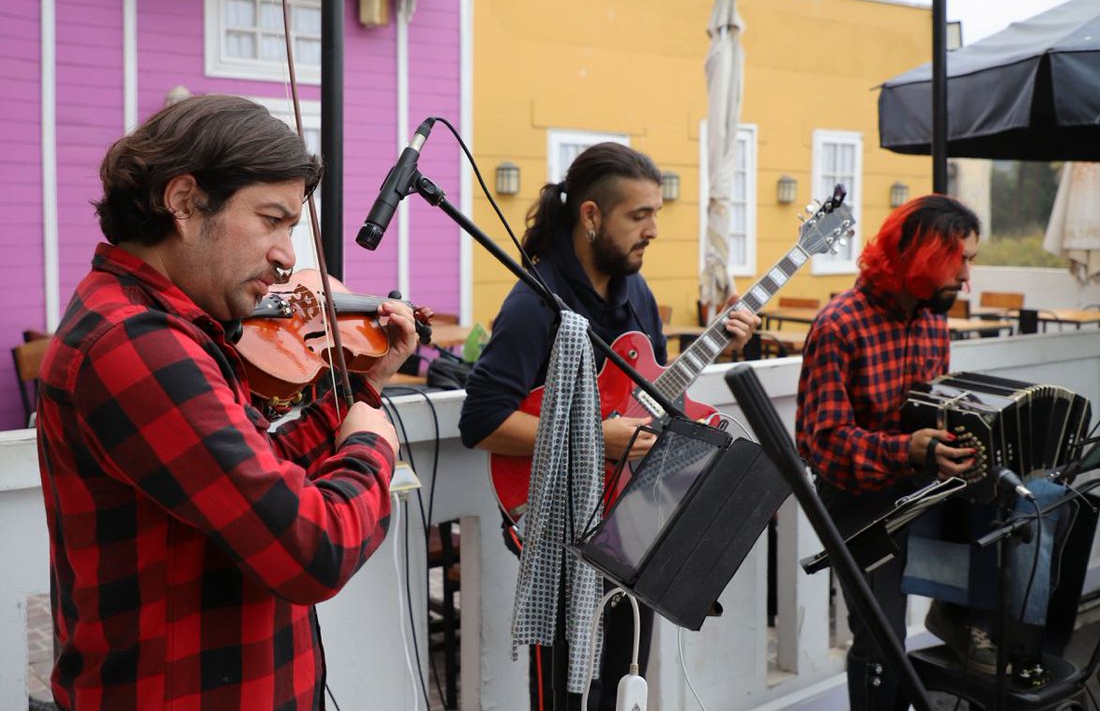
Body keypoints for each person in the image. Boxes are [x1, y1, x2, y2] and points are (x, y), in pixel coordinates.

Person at [35, 95, 418, 711]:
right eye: (272, 219)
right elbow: (312, 550)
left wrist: (360, 393)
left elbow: (253, 469)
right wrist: (371, 445)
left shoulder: (163, 327)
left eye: (292, 228)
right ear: (185, 201)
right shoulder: (137, 344)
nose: (289, 257)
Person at [460, 142, 759, 710]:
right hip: (555, 521)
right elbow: (483, 422)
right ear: (591, 216)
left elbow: (653, 392)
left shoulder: (636, 292)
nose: (652, 230)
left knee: (627, 678)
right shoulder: (534, 304)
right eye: (638, 215)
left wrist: (718, 347)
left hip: (636, 509)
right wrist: (598, 436)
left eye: (656, 215)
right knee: (565, 695)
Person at [795, 194, 982, 711]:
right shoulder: (839, 324)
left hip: (921, 486)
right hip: (856, 499)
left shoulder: (933, 322)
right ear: (921, 256)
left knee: (1035, 511)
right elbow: (821, 444)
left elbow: (932, 409)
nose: (966, 278)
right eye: (958, 260)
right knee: (880, 638)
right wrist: (908, 450)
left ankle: (958, 613)